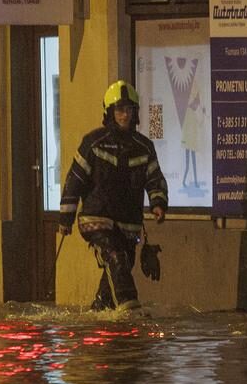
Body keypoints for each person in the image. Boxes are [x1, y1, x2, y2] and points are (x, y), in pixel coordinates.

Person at [59, 80, 168, 311]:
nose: (124, 115)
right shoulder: (93, 143)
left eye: (129, 110)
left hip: (128, 224)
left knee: (121, 266)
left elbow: (154, 178)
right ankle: (130, 310)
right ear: (109, 112)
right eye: (119, 110)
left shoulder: (144, 147)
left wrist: (158, 203)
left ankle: (99, 313)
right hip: (96, 220)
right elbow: (74, 181)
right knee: (115, 258)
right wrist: (65, 219)